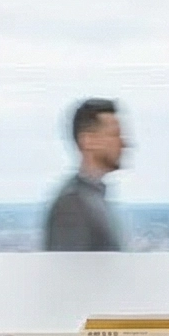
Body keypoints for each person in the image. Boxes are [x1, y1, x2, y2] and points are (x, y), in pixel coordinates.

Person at [44, 97, 126, 250]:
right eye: (115, 134)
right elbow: (70, 272)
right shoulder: (72, 205)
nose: (123, 143)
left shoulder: (92, 198)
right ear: (88, 140)